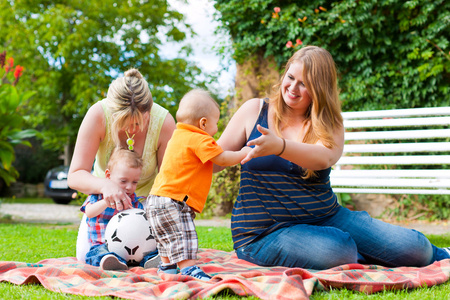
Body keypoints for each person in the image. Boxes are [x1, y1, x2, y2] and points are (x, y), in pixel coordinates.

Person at [215, 45, 450, 270]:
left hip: (327, 216)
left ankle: (439, 254)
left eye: (304, 84)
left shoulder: (330, 121)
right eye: (290, 77)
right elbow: (215, 160)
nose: (292, 88)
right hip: (263, 233)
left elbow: (324, 158)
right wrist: (190, 144)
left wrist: (280, 146)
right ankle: (354, 253)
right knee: (338, 250)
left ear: (320, 89)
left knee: (415, 249)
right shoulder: (255, 110)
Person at [68, 68, 175, 263]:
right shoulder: (98, 115)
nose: (131, 130)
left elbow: (170, 180)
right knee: (85, 256)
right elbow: (75, 175)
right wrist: (105, 186)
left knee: (162, 255)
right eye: (125, 122)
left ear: (149, 112)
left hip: (145, 205)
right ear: (111, 112)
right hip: (103, 207)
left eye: (137, 123)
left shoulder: (164, 123)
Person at [146, 89, 251, 280]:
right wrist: (244, 153)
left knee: (166, 237)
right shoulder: (200, 139)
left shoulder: (177, 137)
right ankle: (188, 269)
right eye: (216, 124)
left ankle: (167, 268)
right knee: (183, 235)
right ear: (203, 123)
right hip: (174, 201)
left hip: (154, 199)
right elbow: (223, 159)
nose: (216, 130)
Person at [82, 148, 157, 270]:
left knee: (152, 250)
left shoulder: (131, 199)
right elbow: (89, 213)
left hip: (131, 247)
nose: (129, 187)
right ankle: (112, 263)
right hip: (102, 245)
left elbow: (141, 223)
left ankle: (151, 260)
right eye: (123, 181)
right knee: (97, 255)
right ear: (108, 176)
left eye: (134, 182)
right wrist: (106, 202)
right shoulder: (98, 195)